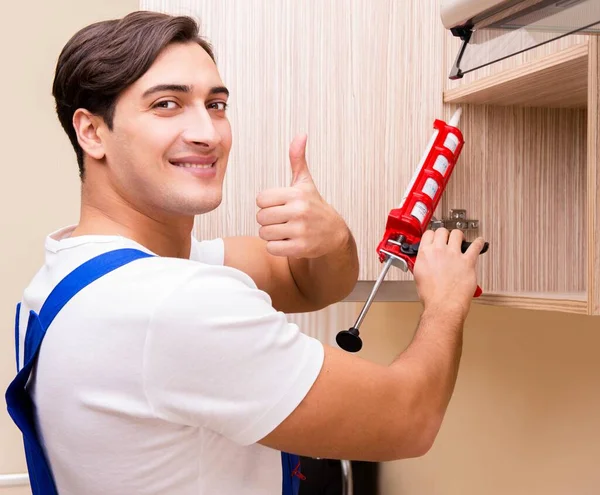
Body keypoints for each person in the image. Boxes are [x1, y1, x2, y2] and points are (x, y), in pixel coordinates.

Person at [6, 10, 485, 495]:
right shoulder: (172, 305)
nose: (209, 134)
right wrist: (446, 301)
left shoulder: (75, 268)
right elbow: (408, 419)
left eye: (215, 105)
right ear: (91, 132)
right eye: (167, 104)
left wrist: (332, 238)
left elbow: (308, 283)